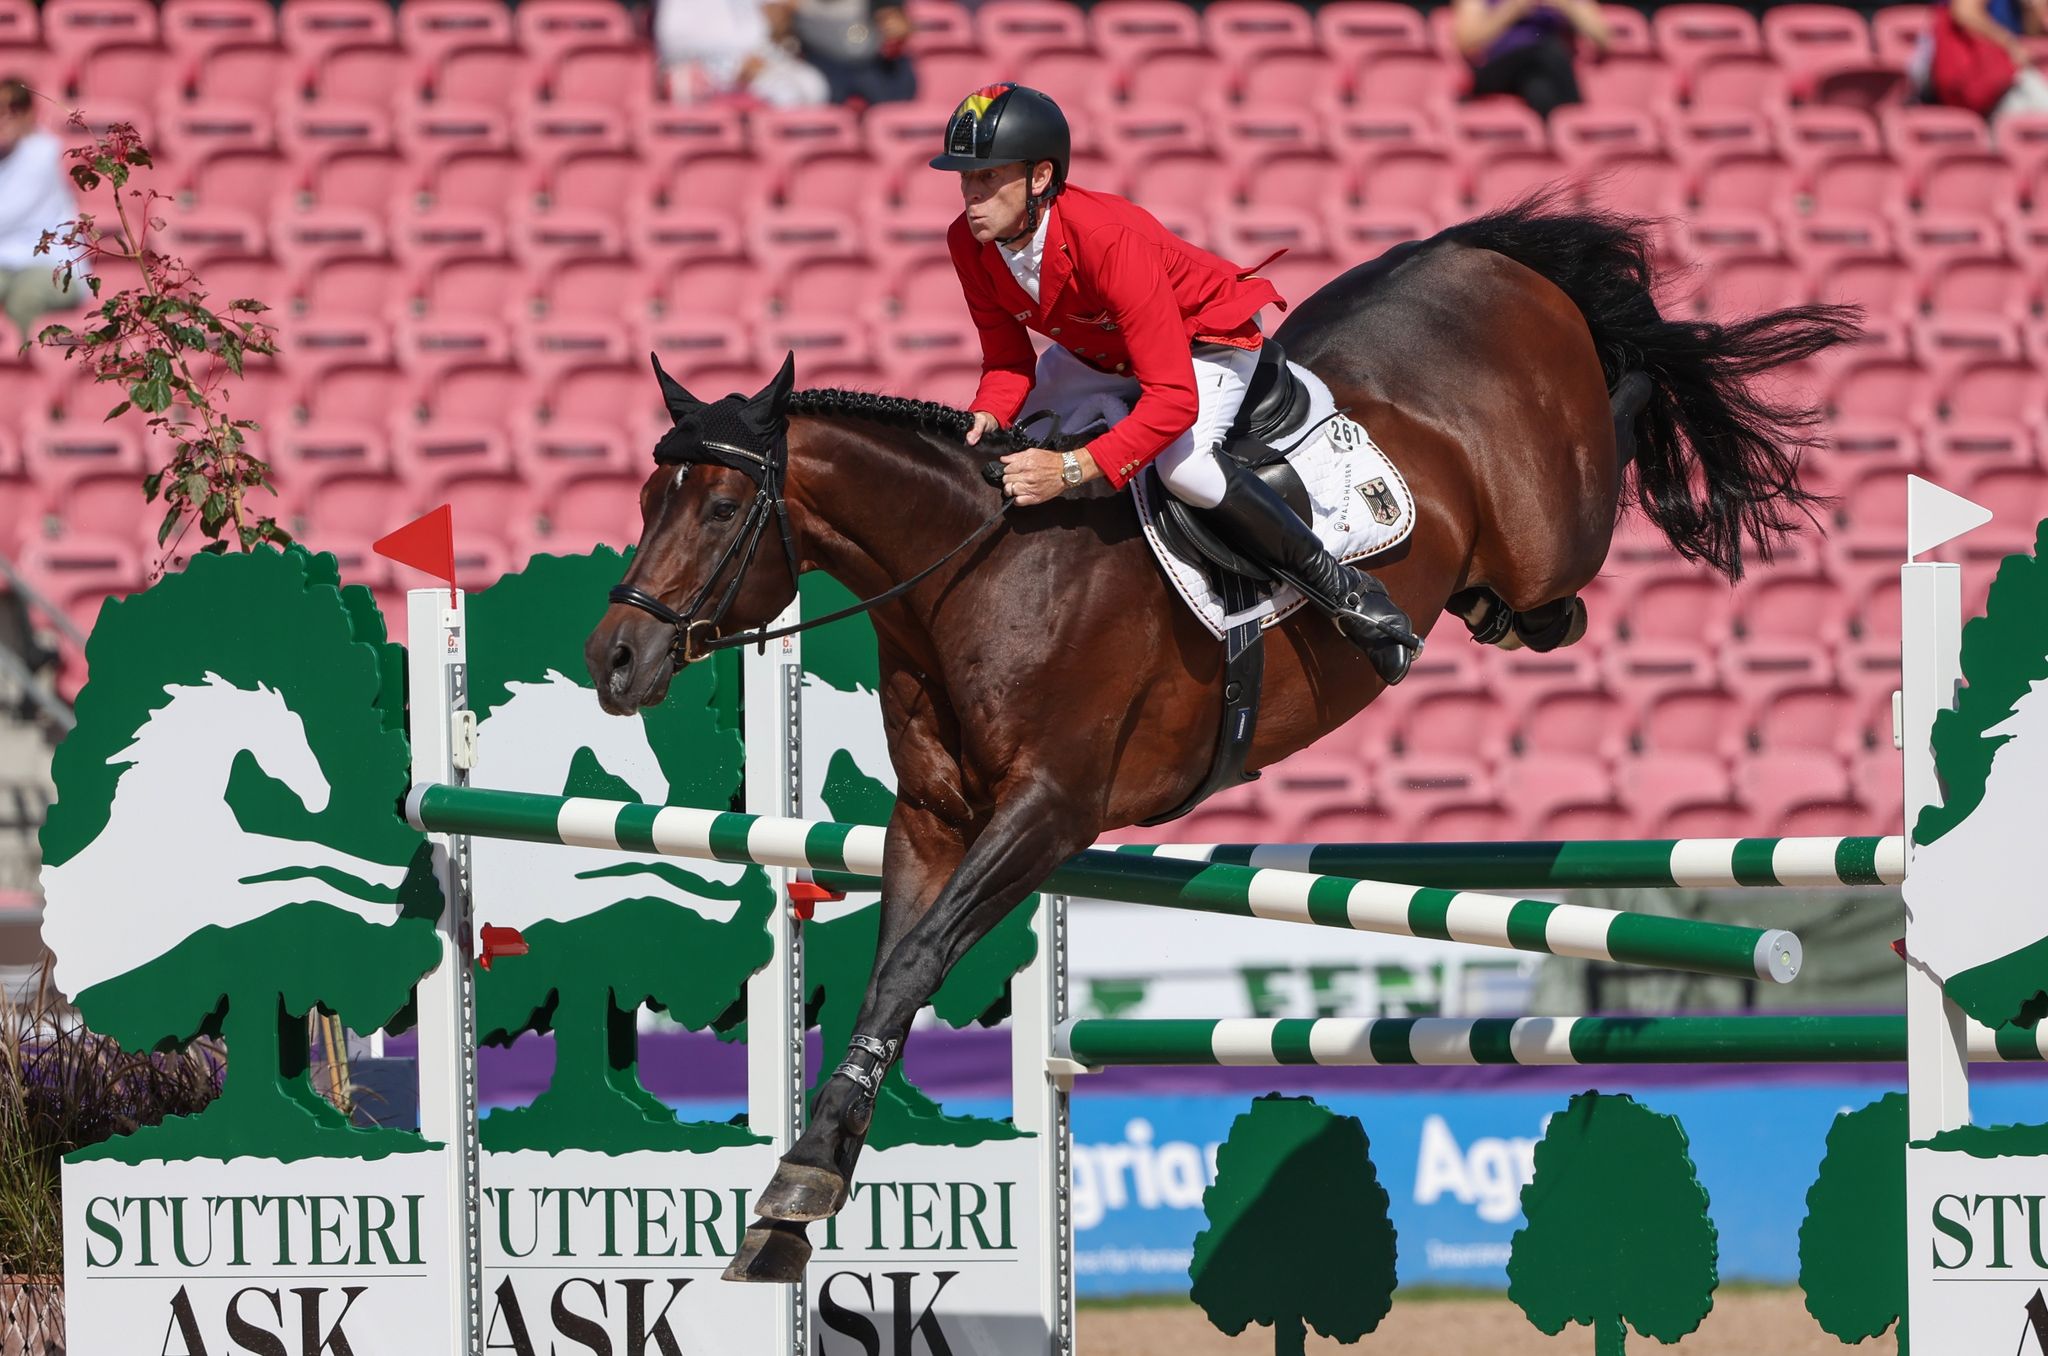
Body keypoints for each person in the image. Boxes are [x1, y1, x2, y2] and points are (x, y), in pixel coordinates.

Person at [934, 83, 1419, 683]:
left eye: (987, 178)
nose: (971, 196)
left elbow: (1172, 400)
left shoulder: (1108, 238)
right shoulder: (968, 241)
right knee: (1020, 434)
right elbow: (1008, 363)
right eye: (964, 180)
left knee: (1182, 467)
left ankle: (1343, 590)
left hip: (1203, 340)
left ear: (1039, 178)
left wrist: (1071, 469)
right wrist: (987, 415)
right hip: (1106, 348)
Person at [0, 78, 88, 349]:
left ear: (29, 112)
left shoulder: (44, 153)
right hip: (6, 264)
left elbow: (6, 215)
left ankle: (20, 379)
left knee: (25, 297)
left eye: (15, 107)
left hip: (53, 267)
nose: (5, 116)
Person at [1452, 0, 1610, 119]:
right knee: (1548, 49)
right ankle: (1577, 115)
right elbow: (1467, 42)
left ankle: (1552, 155)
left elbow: (1604, 40)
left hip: (1541, 71)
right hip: (1495, 69)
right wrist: (1512, 10)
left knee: (1538, 89)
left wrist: (1568, 7)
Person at [656, 0, 830, 108]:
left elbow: (765, 27)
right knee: (786, 93)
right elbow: (672, 39)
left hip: (755, 60)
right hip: (705, 65)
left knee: (812, 84)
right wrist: (739, 58)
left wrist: (780, 14)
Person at [1930, 0, 2048, 121]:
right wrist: (2009, 43)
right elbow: (1964, 12)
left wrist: (2033, 8)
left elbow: (2032, 32)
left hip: (2006, 79)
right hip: (1974, 75)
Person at [791, 0, 916, 107]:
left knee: (895, 87)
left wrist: (896, 27)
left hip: (870, 62)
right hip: (819, 64)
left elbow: (896, 22)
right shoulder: (791, 5)